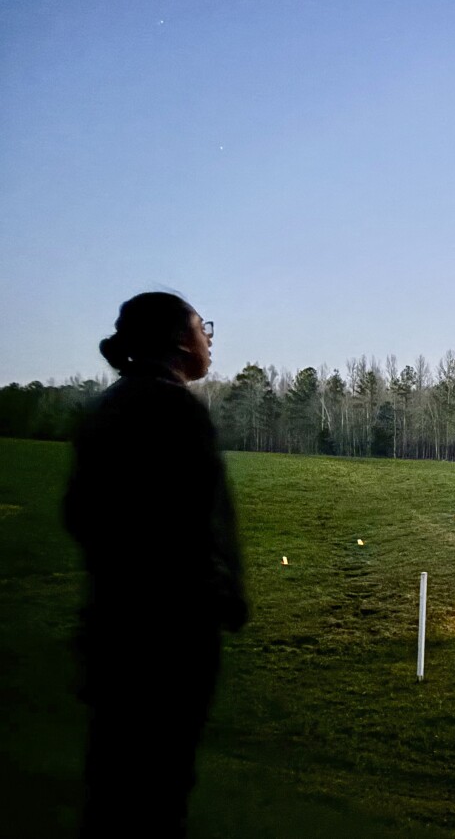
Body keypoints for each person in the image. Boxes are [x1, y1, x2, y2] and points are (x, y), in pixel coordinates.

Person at [64, 291, 247, 838]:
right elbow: (192, 525)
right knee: (155, 794)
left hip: (113, 630)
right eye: (200, 326)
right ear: (176, 340)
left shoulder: (110, 404)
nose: (208, 338)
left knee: (117, 784)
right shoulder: (171, 408)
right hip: (165, 642)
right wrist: (218, 595)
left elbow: (78, 513)